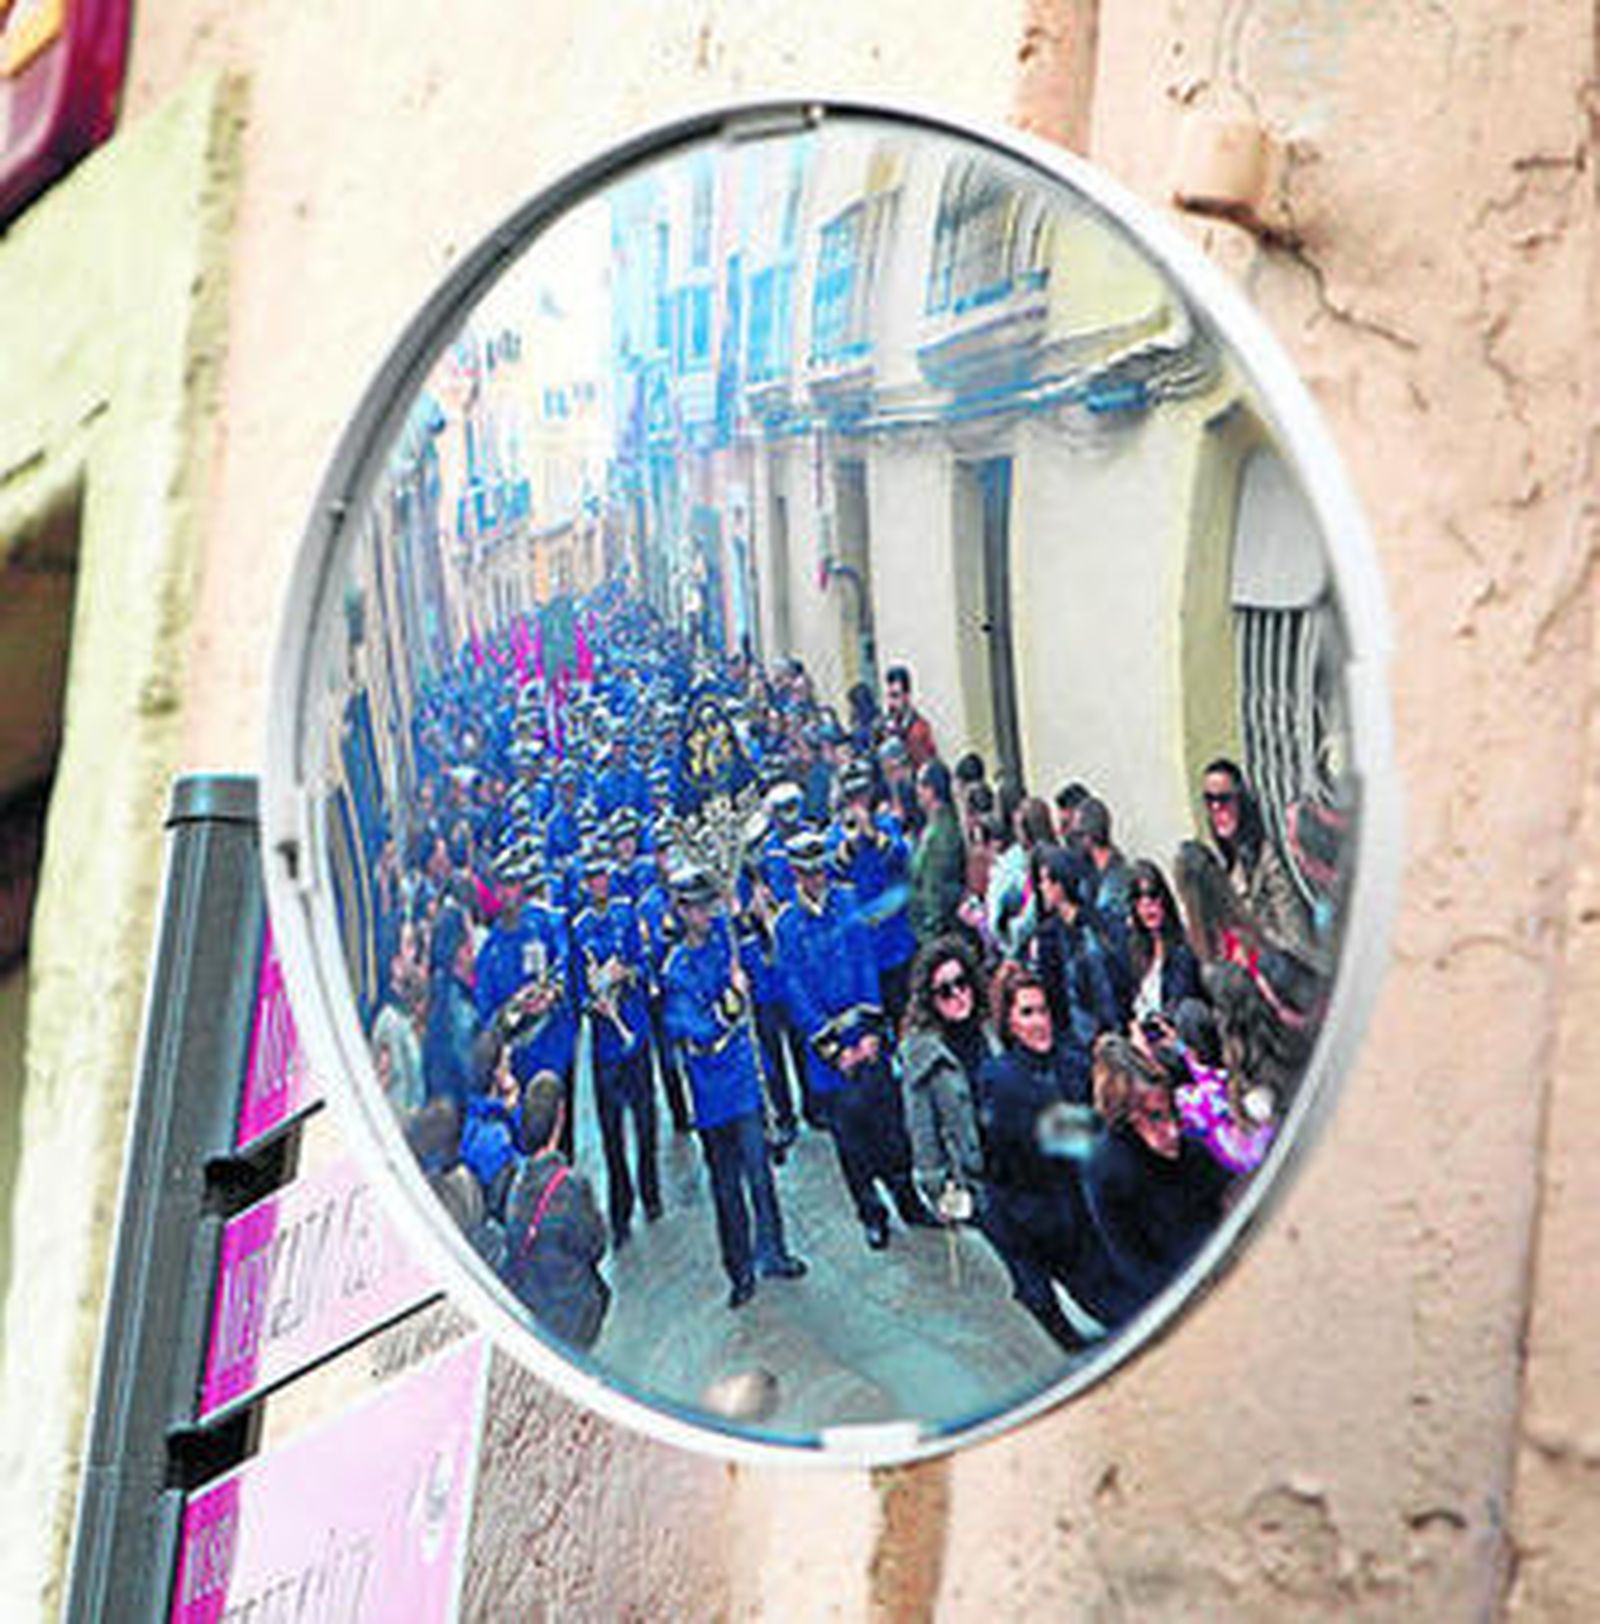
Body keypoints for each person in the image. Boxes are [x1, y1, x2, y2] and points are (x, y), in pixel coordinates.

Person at [775, 831, 937, 1249]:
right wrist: (835, 1051)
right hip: (831, 1058)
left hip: (867, 1040)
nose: (816, 879)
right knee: (851, 1140)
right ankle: (871, 1212)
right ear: (795, 873)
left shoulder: (847, 902)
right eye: (807, 872)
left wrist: (869, 1033)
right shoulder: (787, 925)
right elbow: (795, 993)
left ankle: (908, 1201)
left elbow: (866, 966)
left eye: (820, 870)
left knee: (891, 1126)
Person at [662, 864, 807, 1308]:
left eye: (711, 903)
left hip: (745, 1082)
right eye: (699, 906)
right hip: (712, 1096)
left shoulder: (727, 937)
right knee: (726, 1187)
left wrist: (763, 927)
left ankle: (774, 1253)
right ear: (682, 911)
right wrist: (732, 999)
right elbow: (694, 1028)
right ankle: (740, 1271)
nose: (709, 912)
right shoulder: (676, 969)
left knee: (760, 1175)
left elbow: (766, 965)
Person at [974, 963, 1121, 1352]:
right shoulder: (1000, 1079)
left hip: (1093, 1211)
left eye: (1042, 1010)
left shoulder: (1073, 1061)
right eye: (1026, 1012)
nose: (1039, 1022)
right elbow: (1010, 1159)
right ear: (1008, 1022)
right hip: (1044, 1219)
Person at [1082, 1041, 1233, 1325]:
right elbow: (1134, 1262)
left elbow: (1227, 1193)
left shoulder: (1190, 1147)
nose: (1172, 1131)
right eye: (1155, 1118)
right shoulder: (1106, 1171)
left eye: (1171, 1113)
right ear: (1125, 1116)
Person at [572, 846, 661, 1249]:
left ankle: (651, 1191)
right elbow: (578, 988)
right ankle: (621, 1210)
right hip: (606, 1044)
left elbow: (646, 967)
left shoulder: (628, 913)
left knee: (645, 1122)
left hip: (635, 1031)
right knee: (611, 1134)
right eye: (592, 879)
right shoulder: (578, 928)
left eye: (603, 876)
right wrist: (594, 1002)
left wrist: (624, 973)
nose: (599, 884)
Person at [500, 1071, 611, 1351]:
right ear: (560, 1117)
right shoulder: (570, 1187)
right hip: (574, 1310)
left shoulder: (514, 1184)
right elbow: (595, 1244)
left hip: (538, 1311)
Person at [899, 935, 991, 1213]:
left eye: (961, 983)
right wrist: (939, 1189)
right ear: (931, 999)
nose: (958, 996)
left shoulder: (991, 1029)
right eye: (944, 991)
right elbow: (922, 1130)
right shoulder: (923, 1053)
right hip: (975, 1180)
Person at [1199, 758, 1318, 969]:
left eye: (1224, 799)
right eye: (1209, 800)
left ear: (1241, 801)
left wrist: (1252, 942)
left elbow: (1299, 945)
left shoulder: (1267, 859)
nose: (1217, 808)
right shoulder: (1216, 862)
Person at [830, 758, 918, 1028]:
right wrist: (854, 842)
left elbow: (903, 861)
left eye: (862, 794)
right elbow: (832, 873)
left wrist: (873, 834)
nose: (859, 801)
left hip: (897, 944)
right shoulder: (834, 837)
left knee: (909, 1020)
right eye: (852, 796)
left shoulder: (887, 825)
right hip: (863, 955)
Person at [1028, 845, 1121, 1088]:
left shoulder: (1096, 924)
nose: (1042, 888)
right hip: (1078, 1039)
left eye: (1045, 881)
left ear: (1060, 885)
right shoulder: (1050, 935)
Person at [1125, 858, 1203, 1025]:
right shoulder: (1133, 951)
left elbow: (1181, 1004)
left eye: (1152, 894)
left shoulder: (1183, 949)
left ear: (1164, 899)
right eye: (1138, 897)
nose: (1147, 904)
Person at [909, 759, 966, 947]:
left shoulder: (941, 833)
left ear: (932, 790)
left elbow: (935, 888)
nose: (917, 790)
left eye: (921, 785)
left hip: (935, 933)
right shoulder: (933, 826)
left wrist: (931, 936)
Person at [883, 663, 938, 769]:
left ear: (907, 696)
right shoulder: (884, 726)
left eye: (895, 696)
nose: (891, 703)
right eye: (889, 696)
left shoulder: (920, 728)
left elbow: (928, 764)